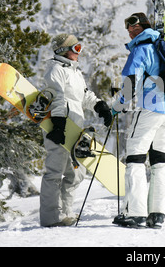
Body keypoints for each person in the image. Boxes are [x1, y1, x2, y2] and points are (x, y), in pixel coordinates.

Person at [112, 13, 165, 229]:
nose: (130, 30)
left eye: (133, 26)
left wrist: (117, 106)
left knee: (135, 156)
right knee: (160, 158)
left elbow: (131, 83)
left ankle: (136, 213)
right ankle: (158, 213)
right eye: (128, 28)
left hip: (151, 107)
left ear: (143, 27)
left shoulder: (141, 48)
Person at [40, 33, 112, 227]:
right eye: (76, 49)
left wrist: (100, 106)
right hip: (58, 126)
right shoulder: (54, 69)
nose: (79, 53)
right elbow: (56, 95)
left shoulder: (75, 72)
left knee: (76, 174)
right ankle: (50, 218)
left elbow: (85, 96)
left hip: (74, 129)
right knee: (54, 172)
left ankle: (66, 212)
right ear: (64, 50)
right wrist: (58, 122)